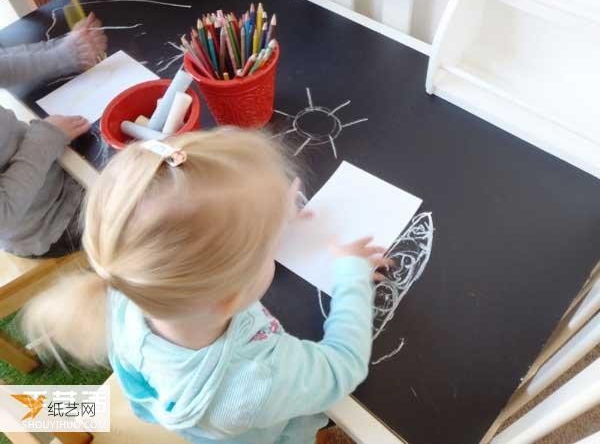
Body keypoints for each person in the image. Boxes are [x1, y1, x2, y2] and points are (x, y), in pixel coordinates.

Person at [22, 129, 391, 444]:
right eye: (264, 251)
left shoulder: (130, 284)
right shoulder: (258, 379)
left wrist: (263, 216)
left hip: (178, 407)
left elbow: (189, 236)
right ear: (231, 297)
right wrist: (351, 275)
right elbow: (344, 365)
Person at [0, 13, 107, 257]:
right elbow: (4, 215)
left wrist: (65, 54)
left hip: (56, 160)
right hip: (53, 219)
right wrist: (46, 137)